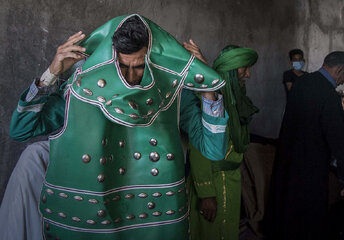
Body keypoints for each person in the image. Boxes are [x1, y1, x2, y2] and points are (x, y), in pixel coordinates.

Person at [1, 14, 229, 240]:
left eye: (139, 66)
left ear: (152, 59)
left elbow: (214, 149)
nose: (130, 77)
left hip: (153, 221)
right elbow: (21, 130)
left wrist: (206, 87)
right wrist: (51, 74)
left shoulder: (174, 94)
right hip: (94, 220)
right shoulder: (83, 92)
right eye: (122, 65)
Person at [266, 51, 344, 240]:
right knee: (308, 217)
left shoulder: (301, 84)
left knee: (287, 210)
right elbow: (338, 141)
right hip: (311, 166)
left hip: (288, 159)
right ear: (340, 70)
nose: (342, 82)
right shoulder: (329, 96)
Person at [183, 42, 258, 240]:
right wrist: (207, 193)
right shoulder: (207, 98)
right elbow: (199, 149)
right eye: (244, 68)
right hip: (212, 182)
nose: (248, 75)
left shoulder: (235, 98)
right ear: (232, 70)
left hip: (230, 180)